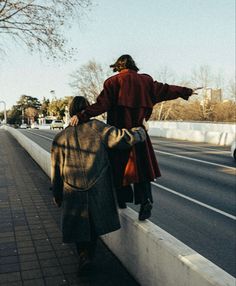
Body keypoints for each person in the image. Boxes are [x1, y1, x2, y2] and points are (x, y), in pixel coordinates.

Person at [70, 54, 201, 221]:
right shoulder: (146, 81)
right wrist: (186, 91)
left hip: (118, 133)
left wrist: (82, 115)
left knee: (118, 166)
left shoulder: (112, 82)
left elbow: (101, 105)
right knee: (142, 169)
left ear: (117, 67)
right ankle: (145, 202)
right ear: (133, 66)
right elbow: (167, 90)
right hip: (139, 131)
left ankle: (122, 199)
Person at [51, 96, 146, 275]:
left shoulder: (61, 137)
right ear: (87, 109)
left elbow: (55, 169)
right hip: (98, 187)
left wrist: (57, 193)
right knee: (93, 225)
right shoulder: (96, 127)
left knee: (79, 225)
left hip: (72, 188)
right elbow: (121, 139)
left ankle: (84, 255)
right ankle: (88, 255)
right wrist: (140, 131)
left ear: (71, 112)